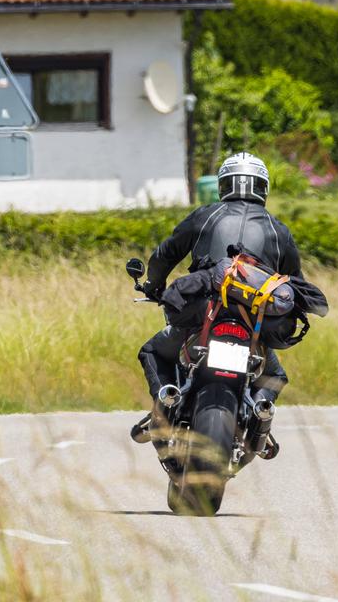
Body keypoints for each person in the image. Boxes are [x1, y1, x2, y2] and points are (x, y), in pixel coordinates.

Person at [130, 152, 305, 452]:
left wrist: (152, 285)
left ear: (223, 186)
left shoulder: (205, 215)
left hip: (204, 312)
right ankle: (261, 414)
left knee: (153, 350)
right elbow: (297, 283)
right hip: (253, 322)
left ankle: (164, 400)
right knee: (275, 374)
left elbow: (166, 254)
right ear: (263, 188)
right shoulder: (279, 231)